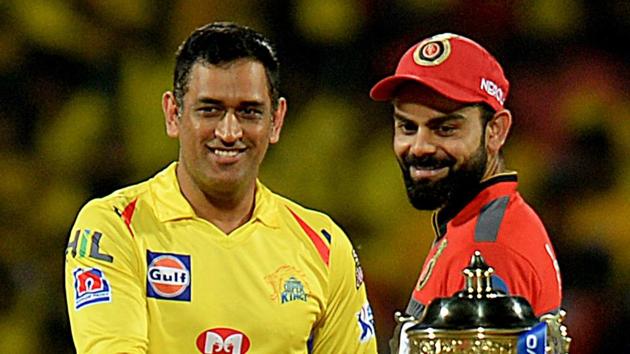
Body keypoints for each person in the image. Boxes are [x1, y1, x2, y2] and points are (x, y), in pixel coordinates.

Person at [64, 22, 377, 354]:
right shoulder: (115, 226)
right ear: (173, 114)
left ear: (277, 121)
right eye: (209, 110)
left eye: (249, 112)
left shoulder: (324, 246)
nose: (229, 132)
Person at [369, 33, 563, 350]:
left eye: (445, 128)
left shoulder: (485, 251)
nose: (419, 147)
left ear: (496, 131)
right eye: (407, 127)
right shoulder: (477, 225)